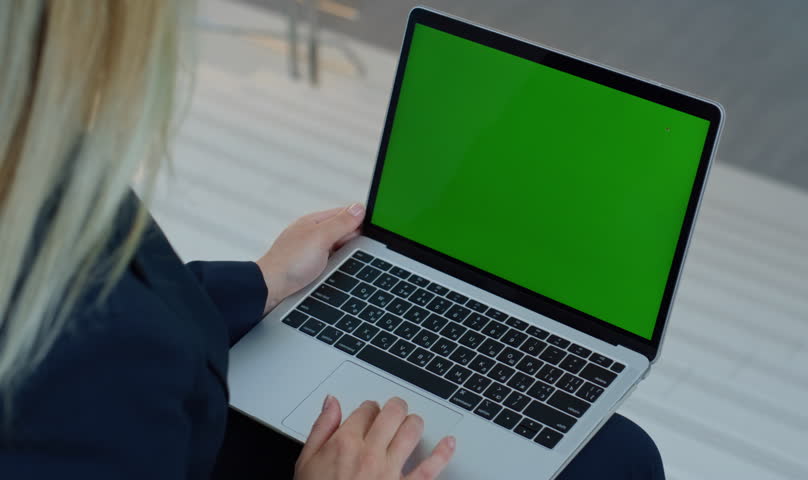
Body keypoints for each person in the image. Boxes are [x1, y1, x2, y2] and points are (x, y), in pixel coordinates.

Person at [0, 1, 664, 479]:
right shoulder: (87, 370)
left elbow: (110, 304)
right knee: (620, 463)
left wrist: (261, 282)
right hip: (165, 432)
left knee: (616, 452)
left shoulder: (29, 165)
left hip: (167, 412)